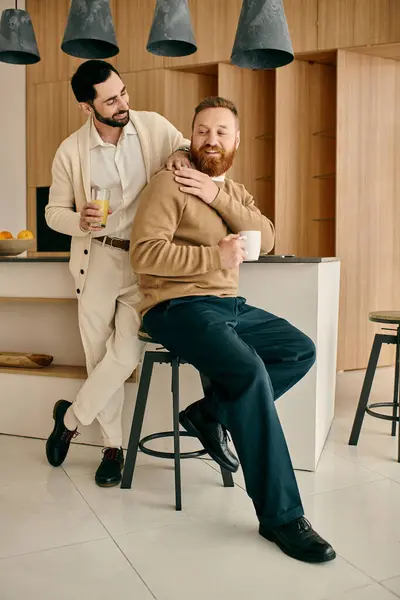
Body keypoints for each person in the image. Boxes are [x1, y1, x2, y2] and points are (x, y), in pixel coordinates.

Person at [129, 96, 336, 564]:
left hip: (226, 305)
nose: (212, 140)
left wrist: (215, 193)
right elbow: (144, 254)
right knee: (248, 372)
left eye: (222, 132)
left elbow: (268, 236)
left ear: (236, 140)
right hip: (175, 306)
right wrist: (212, 257)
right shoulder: (169, 182)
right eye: (203, 130)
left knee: (297, 349)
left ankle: (210, 414)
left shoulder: (234, 192)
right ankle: (282, 516)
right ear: (191, 134)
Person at [45, 59, 191, 488]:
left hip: (144, 264)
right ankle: (113, 446)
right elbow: (54, 212)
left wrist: (181, 153)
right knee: (97, 357)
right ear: (86, 107)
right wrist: (80, 221)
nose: (123, 103)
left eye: (123, 92)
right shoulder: (71, 151)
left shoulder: (152, 127)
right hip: (96, 263)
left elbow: (184, 146)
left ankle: (69, 418)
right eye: (111, 99)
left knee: (127, 354)